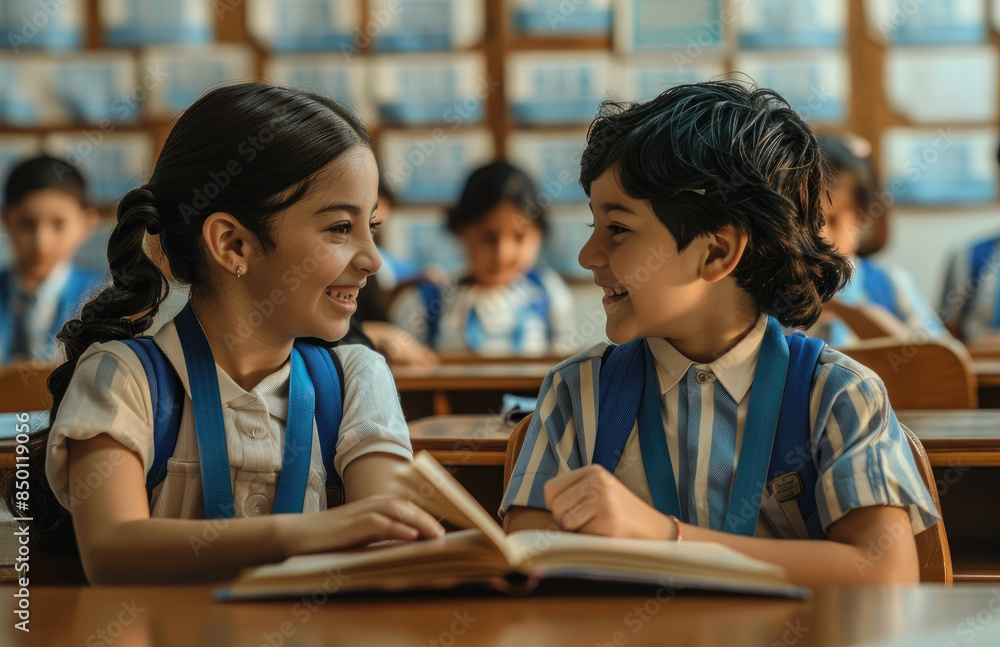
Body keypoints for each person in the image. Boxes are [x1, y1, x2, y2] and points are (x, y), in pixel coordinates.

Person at [501, 82, 939, 587]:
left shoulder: (838, 395)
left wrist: (665, 538)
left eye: (617, 229)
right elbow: (524, 563)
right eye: (592, 225)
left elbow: (885, 573)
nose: (588, 256)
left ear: (715, 252)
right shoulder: (576, 392)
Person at [3, 83, 443, 585]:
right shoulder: (120, 378)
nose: (371, 259)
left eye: (373, 227)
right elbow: (111, 550)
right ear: (233, 244)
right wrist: (303, 534)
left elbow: (383, 542)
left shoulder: (357, 379)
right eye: (340, 228)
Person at [389, 161, 576, 357]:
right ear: (460, 232)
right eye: (488, 238)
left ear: (539, 234)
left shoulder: (551, 295)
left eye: (519, 238)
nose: (503, 253)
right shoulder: (426, 303)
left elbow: (566, 371)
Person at [810, 133, 948, 345]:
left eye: (833, 220)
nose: (820, 235)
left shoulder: (891, 285)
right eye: (806, 222)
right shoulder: (775, 292)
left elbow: (943, 359)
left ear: (862, 217)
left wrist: (853, 314)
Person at [0, 155, 103, 363]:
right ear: (6, 220)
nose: (42, 243)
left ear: (86, 224)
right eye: (27, 224)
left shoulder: (103, 298)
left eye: (58, 224)